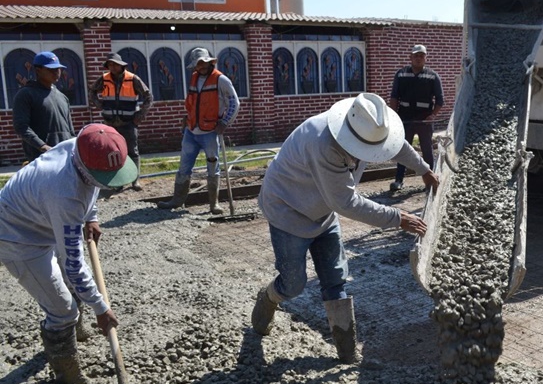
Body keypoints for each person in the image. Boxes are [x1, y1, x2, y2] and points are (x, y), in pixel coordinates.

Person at [252, 92, 439, 363]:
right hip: (289, 211)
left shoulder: (364, 126)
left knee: (335, 278)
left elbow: (395, 145)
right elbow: (346, 203)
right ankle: (268, 298)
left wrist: (422, 168)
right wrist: (397, 217)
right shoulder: (323, 144)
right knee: (293, 284)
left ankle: (346, 353)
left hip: (323, 211)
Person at [0, 124, 135, 384]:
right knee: (62, 309)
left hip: (40, 216)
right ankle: (66, 374)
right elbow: (75, 264)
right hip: (17, 237)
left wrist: (91, 216)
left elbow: (94, 182)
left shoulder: (88, 144)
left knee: (70, 284)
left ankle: (76, 330)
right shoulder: (64, 194)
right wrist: (101, 308)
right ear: (83, 166)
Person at [158, 47, 240, 214]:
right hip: (191, 131)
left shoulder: (221, 80)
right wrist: (186, 118)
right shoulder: (194, 78)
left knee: (213, 167)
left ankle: (213, 204)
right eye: (198, 65)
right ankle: (177, 201)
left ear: (210, 62)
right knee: (183, 167)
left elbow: (234, 103)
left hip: (210, 132)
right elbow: (193, 102)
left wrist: (224, 122)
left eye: (203, 64)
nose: (201, 67)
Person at [89, 52, 153, 191]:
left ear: (121, 65)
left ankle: (135, 180)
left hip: (129, 122)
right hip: (110, 123)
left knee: (132, 151)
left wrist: (140, 116)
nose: (112, 67)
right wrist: (99, 105)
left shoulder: (133, 79)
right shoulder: (104, 79)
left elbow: (148, 97)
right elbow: (92, 91)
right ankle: (119, 182)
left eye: (114, 64)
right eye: (109, 64)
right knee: (113, 152)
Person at [388, 44, 444, 191]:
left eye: (421, 56)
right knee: (403, 149)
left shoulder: (432, 76)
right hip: (405, 118)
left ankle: (430, 180)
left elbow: (440, 100)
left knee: (427, 149)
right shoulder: (401, 74)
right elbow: (394, 97)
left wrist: (432, 116)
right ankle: (399, 180)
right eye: (416, 56)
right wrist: (394, 117)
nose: (418, 58)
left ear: (426, 58)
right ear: (410, 57)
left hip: (424, 119)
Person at [12, 51, 75, 164]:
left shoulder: (62, 97)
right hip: (41, 158)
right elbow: (21, 126)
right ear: (38, 70)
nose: (56, 73)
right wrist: (43, 146)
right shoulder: (26, 94)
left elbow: (70, 129)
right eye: (51, 69)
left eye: (58, 69)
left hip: (65, 156)